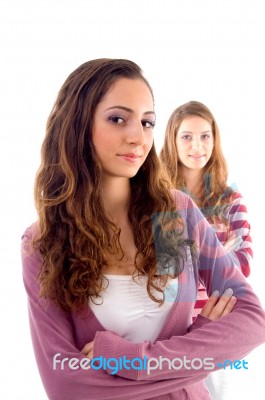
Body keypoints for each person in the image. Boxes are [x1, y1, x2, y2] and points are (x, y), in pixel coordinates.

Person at [21, 60, 265, 400]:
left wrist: (132, 361)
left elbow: (253, 321)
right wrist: (198, 355)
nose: (138, 136)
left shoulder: (173, 218)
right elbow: (68, 386)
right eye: (118, 119)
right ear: (77, 124)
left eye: (147, 122)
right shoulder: (45, 242)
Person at [160, 100, 253, 399]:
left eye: (205, 136)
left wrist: (195, 254)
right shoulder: (159, 200)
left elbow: (243, 264)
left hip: (220, 319)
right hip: (170, 323)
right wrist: (216, 251)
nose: (197, 145)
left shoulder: (230, 199)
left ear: (215, 140)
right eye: (187, 136)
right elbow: (167, 270)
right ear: (173, 142)